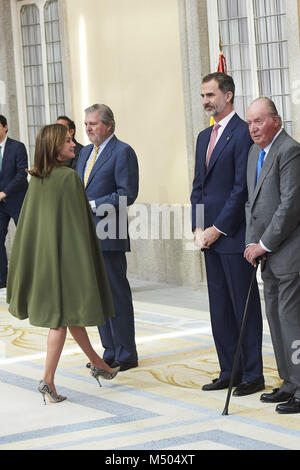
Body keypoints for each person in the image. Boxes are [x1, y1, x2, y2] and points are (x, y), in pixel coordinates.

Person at [6, 124, 119, 404]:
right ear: (56, 149)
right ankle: (48, 380)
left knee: (68, 317)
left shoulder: (38, 180)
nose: (73, 145)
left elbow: (31, 229)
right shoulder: (68, 178)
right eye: (68, 141)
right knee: (60, 320)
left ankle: (98, 363)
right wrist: (85, 265)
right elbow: (77, 228)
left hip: (46, 263)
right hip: (66, 264)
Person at [190, 72, 264, 395]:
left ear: (228, 96)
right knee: (219, 307)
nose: (206, 101)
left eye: (211, 95)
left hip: (233, 237)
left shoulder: (242, 133)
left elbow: (240, 189)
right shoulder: (203, 138)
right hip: (208, 240)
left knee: (242, 307)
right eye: (203, 96)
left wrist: (216, 229)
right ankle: (228, 370)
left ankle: (252, 374)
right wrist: (197, 227)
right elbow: (197, 187)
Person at [244, 97, 300, 414]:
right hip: (267, 255)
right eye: (250, 122)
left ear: (275, 121)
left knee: (293, 324)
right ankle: (289, 382)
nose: (253, 128)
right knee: (276, 321)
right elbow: (253, 205)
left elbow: (289, 207)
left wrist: (262, 244)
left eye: (259, 121)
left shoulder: (290, 151)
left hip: (289, 254)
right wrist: (252, 243)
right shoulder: (256, 152)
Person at [77, 104, 139, 371]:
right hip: (86, 235)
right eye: (86, 124)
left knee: (116, 295)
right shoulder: (85, 153)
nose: (88, 128)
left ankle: (126, 354)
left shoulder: (122, 152)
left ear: (109, 126)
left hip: (109, 233)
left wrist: (91, 205)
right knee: (98, 297)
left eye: (93, 123)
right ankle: (109, 350)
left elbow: (126, 195)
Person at [0, 115, 28, 288]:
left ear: (5, 127)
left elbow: (21, 174)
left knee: (26, 239)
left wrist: (4, 192)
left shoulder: (17, 147)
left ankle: (27, 277)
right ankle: (3, 279)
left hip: (17, 200)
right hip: (0, 205)